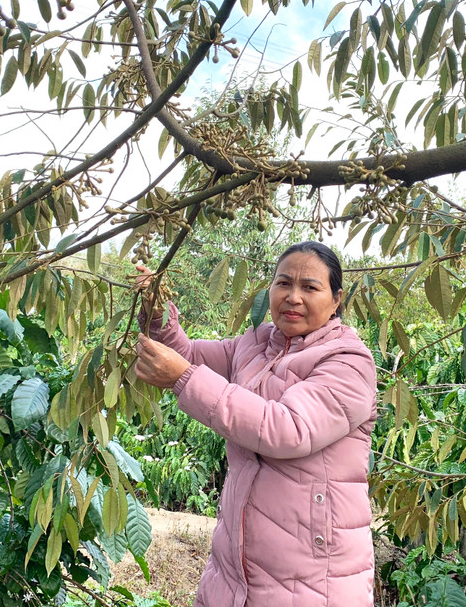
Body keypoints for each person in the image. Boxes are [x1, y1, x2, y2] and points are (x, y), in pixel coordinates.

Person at [134, 241, 378, 607]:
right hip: (235, 572)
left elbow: (287, 429)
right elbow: (188, 356)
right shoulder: (254, 343)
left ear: (336, 299)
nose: (293, 297)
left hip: (314, 581)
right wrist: (158, 315)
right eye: (283, 284)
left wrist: (184, 378)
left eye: (310, 287)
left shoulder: (349, 363)